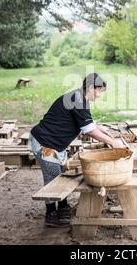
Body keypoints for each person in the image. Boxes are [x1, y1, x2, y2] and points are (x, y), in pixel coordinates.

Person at [28, 73, 122, 227]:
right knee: (53, 178)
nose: (99, 95)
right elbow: (89, 131)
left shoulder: (79, 97)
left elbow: (86, 123)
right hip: (45, 142)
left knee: (61, 174)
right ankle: (51, 214)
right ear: (91, 88)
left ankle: (63, 207)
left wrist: (100, 128)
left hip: (54, 144)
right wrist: (113, 143)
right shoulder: (78, 100)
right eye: (99, 91)